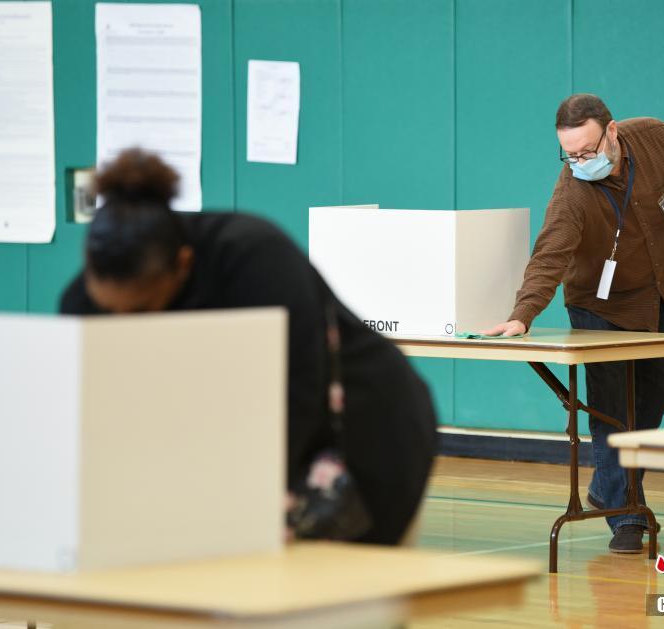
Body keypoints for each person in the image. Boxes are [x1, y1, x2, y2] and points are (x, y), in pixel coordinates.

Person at [61, 148, 437, 545]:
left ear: (184, 265)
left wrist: (248, 502)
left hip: (368, 430)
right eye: (109, 309)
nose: (126, 325)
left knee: (342, 594)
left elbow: (299, 389)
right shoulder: (82, 303)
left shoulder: (252, 256)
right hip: (240, 444)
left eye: (141, 309)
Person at [484, 94, 664, 553]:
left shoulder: (656, 138)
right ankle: (626, 515)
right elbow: (549, 256)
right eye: (569, 154)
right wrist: (522, 316)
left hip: (658, 296)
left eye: (588, 150)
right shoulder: (572, 192)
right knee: (614, 409)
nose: (580, 161)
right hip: (599, 306)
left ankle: (608, 489)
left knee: (654, 400)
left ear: (612, 132)